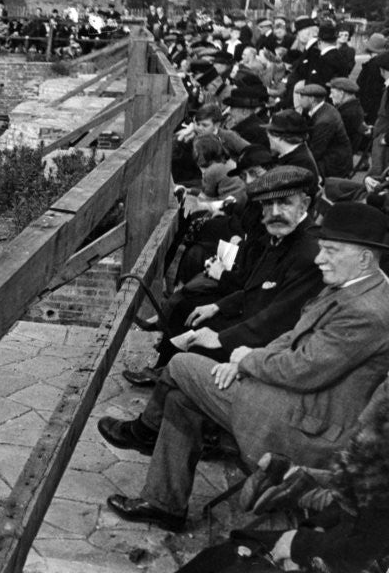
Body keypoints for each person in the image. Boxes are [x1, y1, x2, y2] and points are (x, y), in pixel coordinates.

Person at [100, 201, 389, 532]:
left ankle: (143, 432)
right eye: (321, 248)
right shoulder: (356, 284)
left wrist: (245, 360)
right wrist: (246, 362)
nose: (320, 258)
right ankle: (164, 503)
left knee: (181, 365)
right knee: (183, 400)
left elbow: (304, 369)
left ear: (364, 258)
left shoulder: (367, 311)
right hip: (294, 402)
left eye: (331, 250)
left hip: (308, 427)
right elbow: (292, 335)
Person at [124, 167, 323, 387]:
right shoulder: (279, 233)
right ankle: (162, 373)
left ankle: (167, 384)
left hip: (268, 342)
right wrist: (217, 307)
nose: (274, 212)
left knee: (198, 346)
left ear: (304, 204)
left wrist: (221, 338)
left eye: (285, 203)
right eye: (268, 204)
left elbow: (277, 319)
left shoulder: (308, 253)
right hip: (251, 320)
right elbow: (253, 289)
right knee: (195, 315)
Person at [176, 381, 389, 573]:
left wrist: (300, 546)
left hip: (355, 556)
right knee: (223, 555)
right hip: (345, 535)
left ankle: (300, 484)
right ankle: (300, 483)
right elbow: (358, 513)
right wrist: (313, 530)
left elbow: (364, 547)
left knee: (234, 558)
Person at [296, 84, 353, 179]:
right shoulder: (324, 108)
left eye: (302, 97)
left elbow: (315, 151)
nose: (299, 100)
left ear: (312, 99)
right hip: (332, 158)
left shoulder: (324, 120)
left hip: (334, 164)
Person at [265, 109, 320, 190]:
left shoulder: (300, 162)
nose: (267, 136)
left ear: (279, 137)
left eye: (269, 133)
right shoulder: (294, 154)